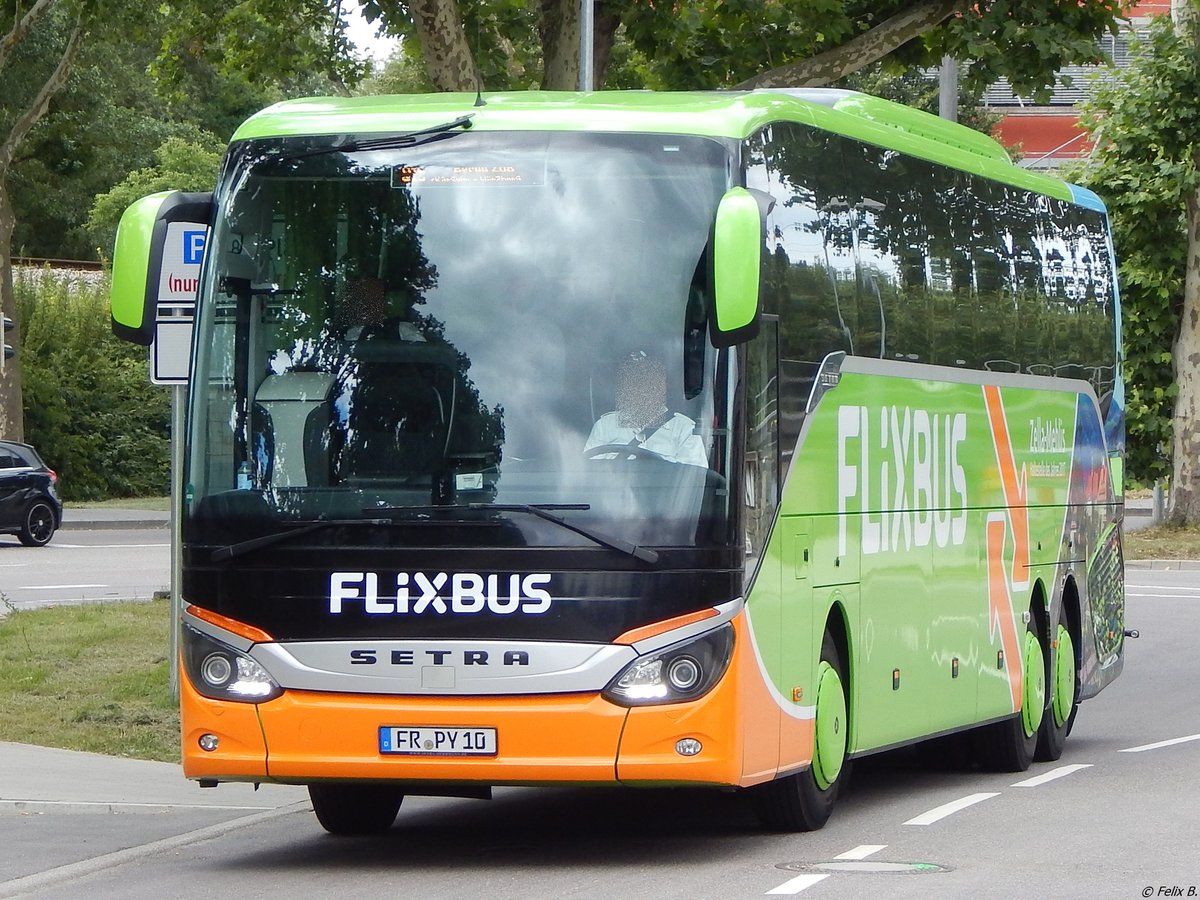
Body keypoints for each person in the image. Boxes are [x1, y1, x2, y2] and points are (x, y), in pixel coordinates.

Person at [584, 350, 708, 468]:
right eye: (634, 379)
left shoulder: (684, 430)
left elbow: (695, 479)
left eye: (649, 378)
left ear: (662, 385)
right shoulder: (604, 427)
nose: (642, 386)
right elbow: (588, 475)